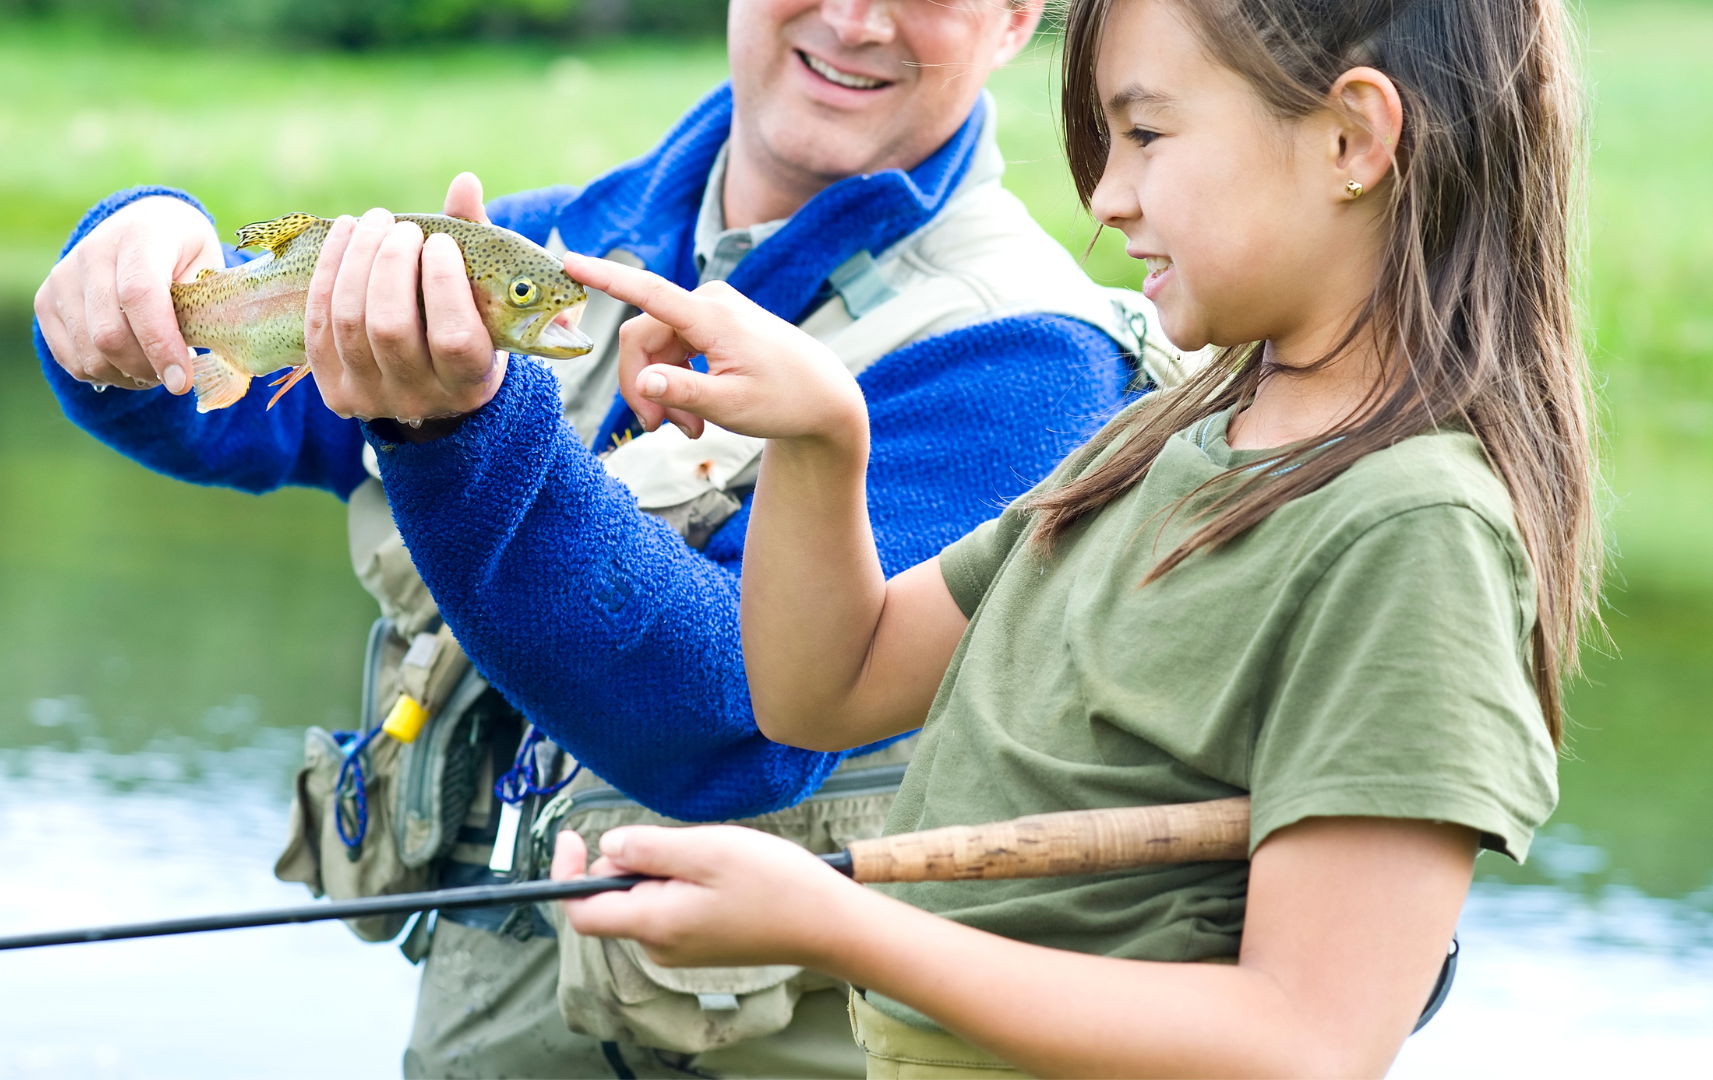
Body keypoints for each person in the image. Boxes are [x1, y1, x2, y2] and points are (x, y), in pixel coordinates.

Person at [31, 2, 1195, 1075]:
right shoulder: (566, 238)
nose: (854, 17)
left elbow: (741, 719)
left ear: (1015, 18)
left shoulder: (1033, 358)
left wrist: (464, 425)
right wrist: (131, 282)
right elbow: (230, 420)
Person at [550, 0, 1595, 1075]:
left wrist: (835, 924)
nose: (1106, 196)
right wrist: (821, 434)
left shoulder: (1414, 531)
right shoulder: (1163, 437)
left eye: (1145, 134)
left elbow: (1307, 1040)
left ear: (1352, 141)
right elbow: (827, 688)